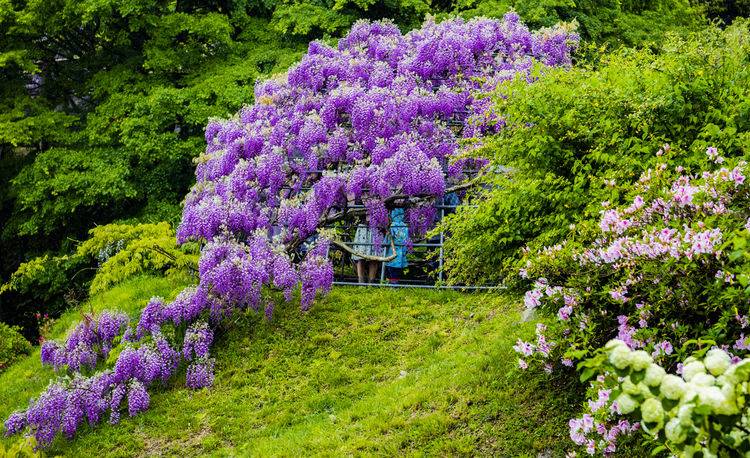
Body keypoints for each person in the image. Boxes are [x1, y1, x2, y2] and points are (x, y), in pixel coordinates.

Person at [351, 218, 382, 284]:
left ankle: (371, 283)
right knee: (360, 257)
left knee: (374, 257)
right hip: (363, 228)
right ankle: (361, 283)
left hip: (376, 227)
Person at [384, 208, 408, 283]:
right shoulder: (405, 227)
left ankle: (392, 284)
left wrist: (383, 243)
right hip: (401, 252)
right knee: (397, 269)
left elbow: (388, 239)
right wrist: (405, 250)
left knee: (390, 267)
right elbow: (407, 240)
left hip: (392, 251)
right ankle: (395, 283)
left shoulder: (392, 226)